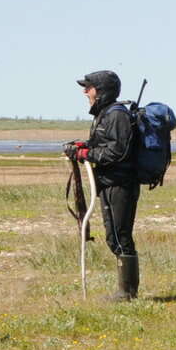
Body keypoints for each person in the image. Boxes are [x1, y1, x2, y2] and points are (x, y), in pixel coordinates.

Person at [66, 69, 142, 301]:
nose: (85, 91)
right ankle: (126, 291)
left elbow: (117, 151)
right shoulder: (105, 114)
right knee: (114, 236)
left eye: (88, 87)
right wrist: (82, 146)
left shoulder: (116, 115)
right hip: (109, 183)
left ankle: (127, 293)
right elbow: (103, 143)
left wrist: (87, 153)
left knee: (119, 236)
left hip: (121, 183)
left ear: (101, 92)